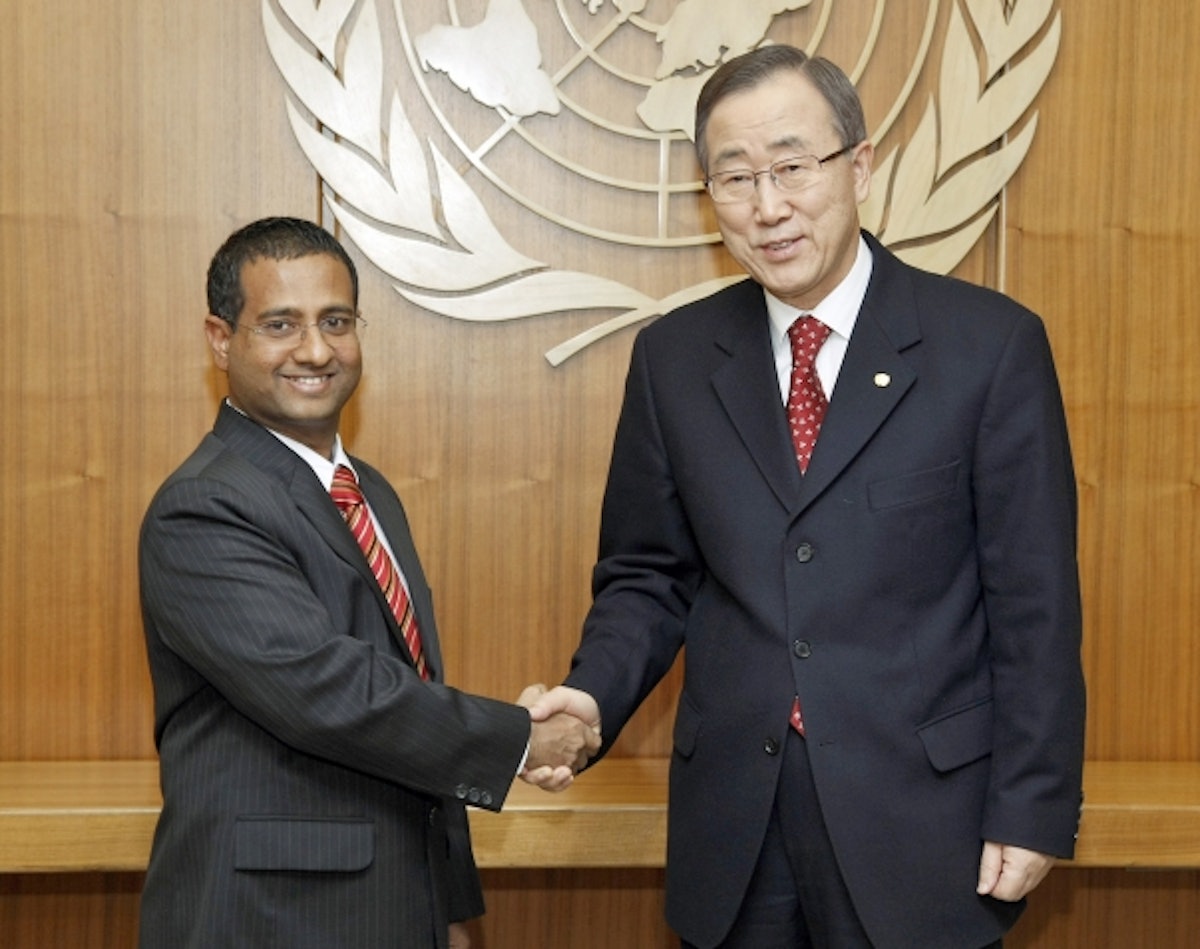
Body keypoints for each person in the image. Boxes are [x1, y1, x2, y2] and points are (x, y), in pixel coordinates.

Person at [527, 46, 1085, 949]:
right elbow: (647, 575)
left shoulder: (988, 348)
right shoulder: (675, 360)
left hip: (925, 818)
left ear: (859, 165)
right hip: (737, 826)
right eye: (735, 177)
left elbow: (1035, 604)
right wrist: (591, 698)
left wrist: (1035, 801)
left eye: (792, 166)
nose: (768, 205)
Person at [138, 216, 598, 949]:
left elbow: (406, 684)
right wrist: (521, 740)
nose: (316, 350)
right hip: (269, 916)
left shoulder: (367, 492)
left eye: (336, 320)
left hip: (389, 906)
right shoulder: (205, 506)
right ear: (221, 339)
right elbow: (331, 694)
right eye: (280, 324)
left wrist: (447, 902)